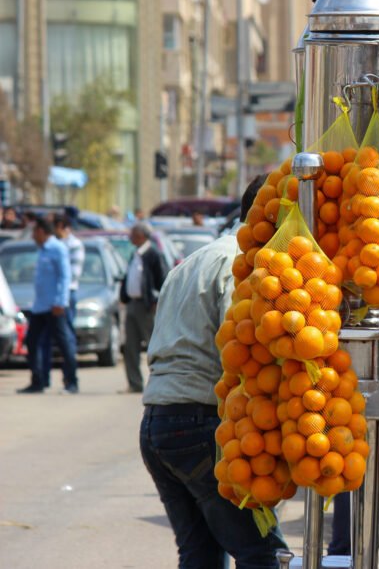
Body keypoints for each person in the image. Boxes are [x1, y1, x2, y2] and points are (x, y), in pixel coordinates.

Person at [140, 174, 288, 567]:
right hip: (202, 423)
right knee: (263, 553)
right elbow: (241, 351)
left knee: (200, 555)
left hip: (157, 423)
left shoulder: (192, 261)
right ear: (271, 212)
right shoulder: (239, 264)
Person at [16, 216, 78, 394]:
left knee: (64, 344)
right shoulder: (43, 249)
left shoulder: (57, 248)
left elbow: (65, 276)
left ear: (41, 232)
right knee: (32, 341)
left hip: (55, 306)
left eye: (34, 232)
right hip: (40, 306)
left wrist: (60, 301)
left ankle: (72, 382)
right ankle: (38, 381)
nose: (33, 236)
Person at [120, 222, 166, 393]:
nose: (130, 237)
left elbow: (162, 281)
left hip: (147, 307)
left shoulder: (153, 254)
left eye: (133, 234)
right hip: (132, 304)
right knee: (130, 347)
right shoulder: (136, 254)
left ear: (141, 235)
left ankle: (159, 384)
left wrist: (155, 302)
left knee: (154, 346)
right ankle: (134, 383)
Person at [53, 213, 84, 335]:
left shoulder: (74, 244)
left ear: (60, 226)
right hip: (54, 292)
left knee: (66, 329)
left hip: (67, 292)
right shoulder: (55, 243)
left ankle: (70, 354)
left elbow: (73, 274)